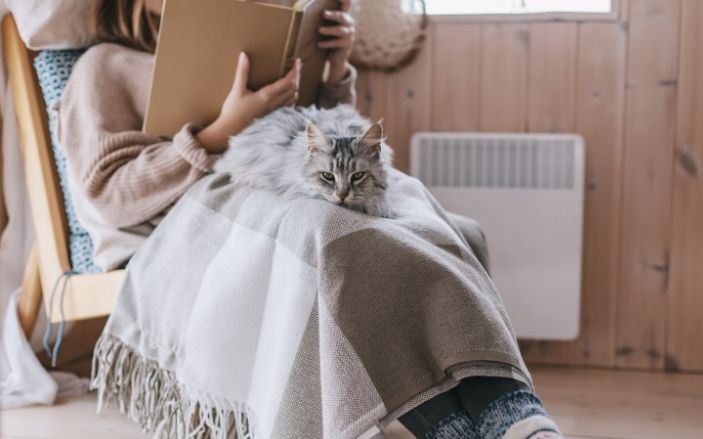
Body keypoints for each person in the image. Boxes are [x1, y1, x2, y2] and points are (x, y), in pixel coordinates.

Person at [57, 1, 562, 438]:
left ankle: (508, 408)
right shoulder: (104, 66)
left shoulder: (247, 41)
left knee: (427, 223)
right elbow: (104, 194)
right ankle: (479, 420)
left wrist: (334, 67)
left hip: (291, 180)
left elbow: (325, 145)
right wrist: (216, 134)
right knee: (333, 238)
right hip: (203, 207)